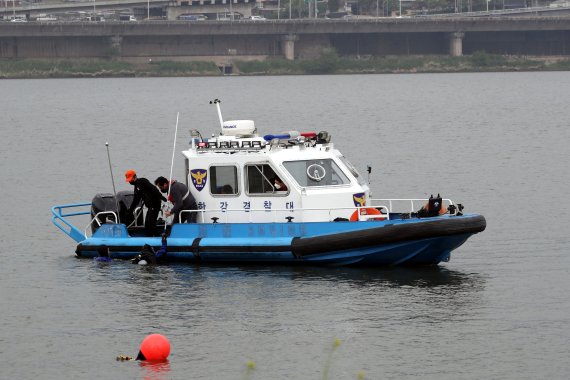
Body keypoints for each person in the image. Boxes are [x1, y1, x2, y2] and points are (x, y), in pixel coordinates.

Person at [125, 170, 166, 237]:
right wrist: (130, 210)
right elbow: (136, 200)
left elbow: (154, 189)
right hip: (150, 206)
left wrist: (162, 197)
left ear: (134, 177)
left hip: (155, 204)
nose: (129, 181)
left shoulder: (142, 181)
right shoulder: (136, 187)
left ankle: (158, 237)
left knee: (151, 223)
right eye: (128, 180)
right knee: (147, 224)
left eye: (130, 179)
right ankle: (149, 238)